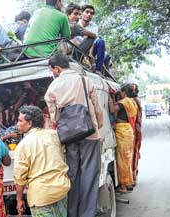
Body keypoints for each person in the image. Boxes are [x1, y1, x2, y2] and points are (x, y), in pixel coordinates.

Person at [44, 53, 103, 217]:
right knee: (90, 176)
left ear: (57, 68)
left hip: (69, 137)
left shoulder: (53, 87)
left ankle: (72, 213)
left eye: (52, 70)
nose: (53, 73)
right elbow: (97, 108)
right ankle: (87, 214)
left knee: (72, 176)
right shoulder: (85, 80)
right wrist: (98, 125)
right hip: (90, 134)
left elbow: (54, 116)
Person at [14, 105, 70, 217]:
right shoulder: (54, 135)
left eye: (20, 120)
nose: (17, 124)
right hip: (61, 190)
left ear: (29, 123)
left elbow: (20, 178)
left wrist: (19, 199)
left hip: (41, 196)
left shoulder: (23, 145)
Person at [108, 84, 138, 193]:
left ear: (124, 92)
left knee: (122, 159)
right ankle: (129, 181)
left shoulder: (124, 102)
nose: (119, 94)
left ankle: (124, 185)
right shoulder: (132, 102)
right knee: (127, 158)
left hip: (122, 131)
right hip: (129, 130)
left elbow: (112, 109)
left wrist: (110, 98)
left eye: (120, 92)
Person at [79, 5, 106, 74]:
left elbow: (93, 41)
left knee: (100, 41)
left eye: (91, 13)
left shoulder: (94, 26)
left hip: (89, 48)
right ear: (82, 13)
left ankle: (98, 69)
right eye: (87, 12)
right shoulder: (77, 22)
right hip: (77, 47)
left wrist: (90, 54)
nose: (89, 14)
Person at [131, 84, 142, 185]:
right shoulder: (136, 100)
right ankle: (134, 175)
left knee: (134, 153)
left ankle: (133, 176)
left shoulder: (134, 101)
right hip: (136, 129)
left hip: (135, 130)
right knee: (135, 153)